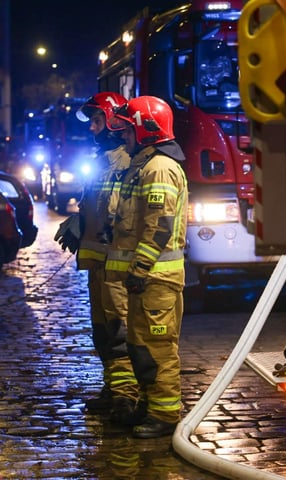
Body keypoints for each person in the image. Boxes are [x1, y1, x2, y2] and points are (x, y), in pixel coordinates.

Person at [105, 96, 188, 438]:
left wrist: (139, 268)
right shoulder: (144, 164)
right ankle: (151, 404)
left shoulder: (159, 168)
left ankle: (166, 415)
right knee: (140, 345)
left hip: (155, 277)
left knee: (158, 348)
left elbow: (159, 225)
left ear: (144, 128)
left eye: (127, 129)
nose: (123, 135)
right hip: (146, 278)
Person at [56, 92, 139, 417]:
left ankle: (126, 397)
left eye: (96, 120)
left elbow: (125, 214)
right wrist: (80, 222)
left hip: (117, 266)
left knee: (119, 332)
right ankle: (113, 387)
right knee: (103, 331)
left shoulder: (124, 162)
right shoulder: (104, 161)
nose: (91, 128)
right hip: (100, 266)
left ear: (113, 119)